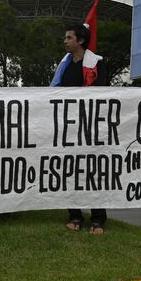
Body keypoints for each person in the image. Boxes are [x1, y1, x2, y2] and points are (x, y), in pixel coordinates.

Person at [53, 24, 108, 234]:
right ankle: (74, 215)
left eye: (68, 37)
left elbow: (101, 94)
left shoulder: (98, 63)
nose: (65, 41)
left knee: (93, 171)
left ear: (80, 41)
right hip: (67, 127)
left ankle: (98, 219)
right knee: (69, 170)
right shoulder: (63, 66)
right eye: (65, 38)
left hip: (90, 126)